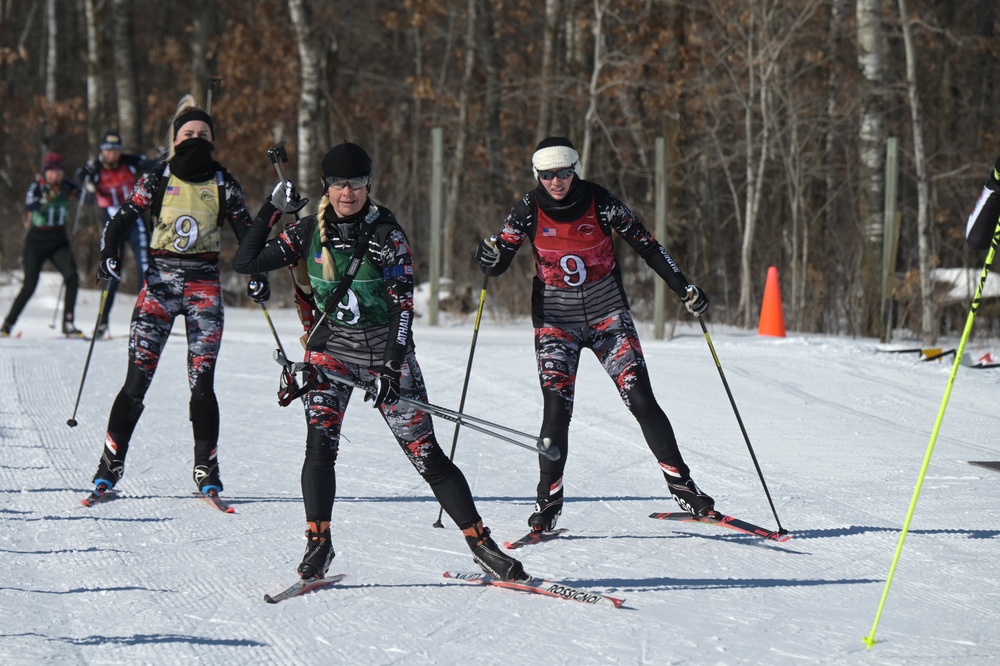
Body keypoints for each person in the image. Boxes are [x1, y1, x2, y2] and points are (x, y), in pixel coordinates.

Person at [232, 141, 527, 583]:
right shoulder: (309, 231)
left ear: (368, 184)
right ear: (326, 187)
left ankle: (481, 544)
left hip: (383, 353)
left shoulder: (387, 234)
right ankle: (318, 544)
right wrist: (270, 211)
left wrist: (391, 367)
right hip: (329, 353)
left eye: (355, 183)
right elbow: (246, 260)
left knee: (427, 456)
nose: (346, 192)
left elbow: (402, 308)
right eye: (336, 183)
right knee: (319, 447)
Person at [474, 136, 715, 533]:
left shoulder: (600, 201)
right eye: (548, 175)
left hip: (607, 317)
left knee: (640, 398)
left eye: (564, 174)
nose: (557, 182)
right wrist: (489, 257)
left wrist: (683, 288)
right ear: (537, 175)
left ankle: (683, 486)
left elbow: (647, 245)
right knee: (556, 411)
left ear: (576, 170)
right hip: (556, 323)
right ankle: (548, 502)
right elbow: (498, 260)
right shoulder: (528, 209)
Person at [87, 95, 270, 499]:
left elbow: (248, 235)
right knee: (137, 380)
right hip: (160, 286)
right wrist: (108, 254)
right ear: (175, 139)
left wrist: (257, 273)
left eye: (204, 134)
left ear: (213, 141)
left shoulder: (223, 182)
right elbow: (119, 221)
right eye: (188, 134)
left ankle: (206, 466)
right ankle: (110, 463)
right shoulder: (157, 178)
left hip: (204, 287)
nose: (196, 139)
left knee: (202, 384)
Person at [76, 130, 156, 339]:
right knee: (112, 272)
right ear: (102, 150)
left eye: (116, 150)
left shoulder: (129, 162)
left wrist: (162, 156)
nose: (112, 154)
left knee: (145, 266)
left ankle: (143, 319)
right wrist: (85, 175)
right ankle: (102, 323)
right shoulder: (96, 168)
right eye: (108, 150)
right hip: (112, 225)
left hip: (134, 221)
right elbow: (79, 183)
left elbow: (154, 164)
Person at [1, 152, 84, 338]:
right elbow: (29, 204)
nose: (56, 175)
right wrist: (43, 199)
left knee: (72, 277)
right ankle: (8, 324)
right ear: (46, 172)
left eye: (59, 171)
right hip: (36, 242)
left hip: (59, 241)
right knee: (30, 284)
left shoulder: (66, 186)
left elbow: (86, 196)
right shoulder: (37, 186)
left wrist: (87, 180)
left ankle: (68, 322)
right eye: (52, 171)